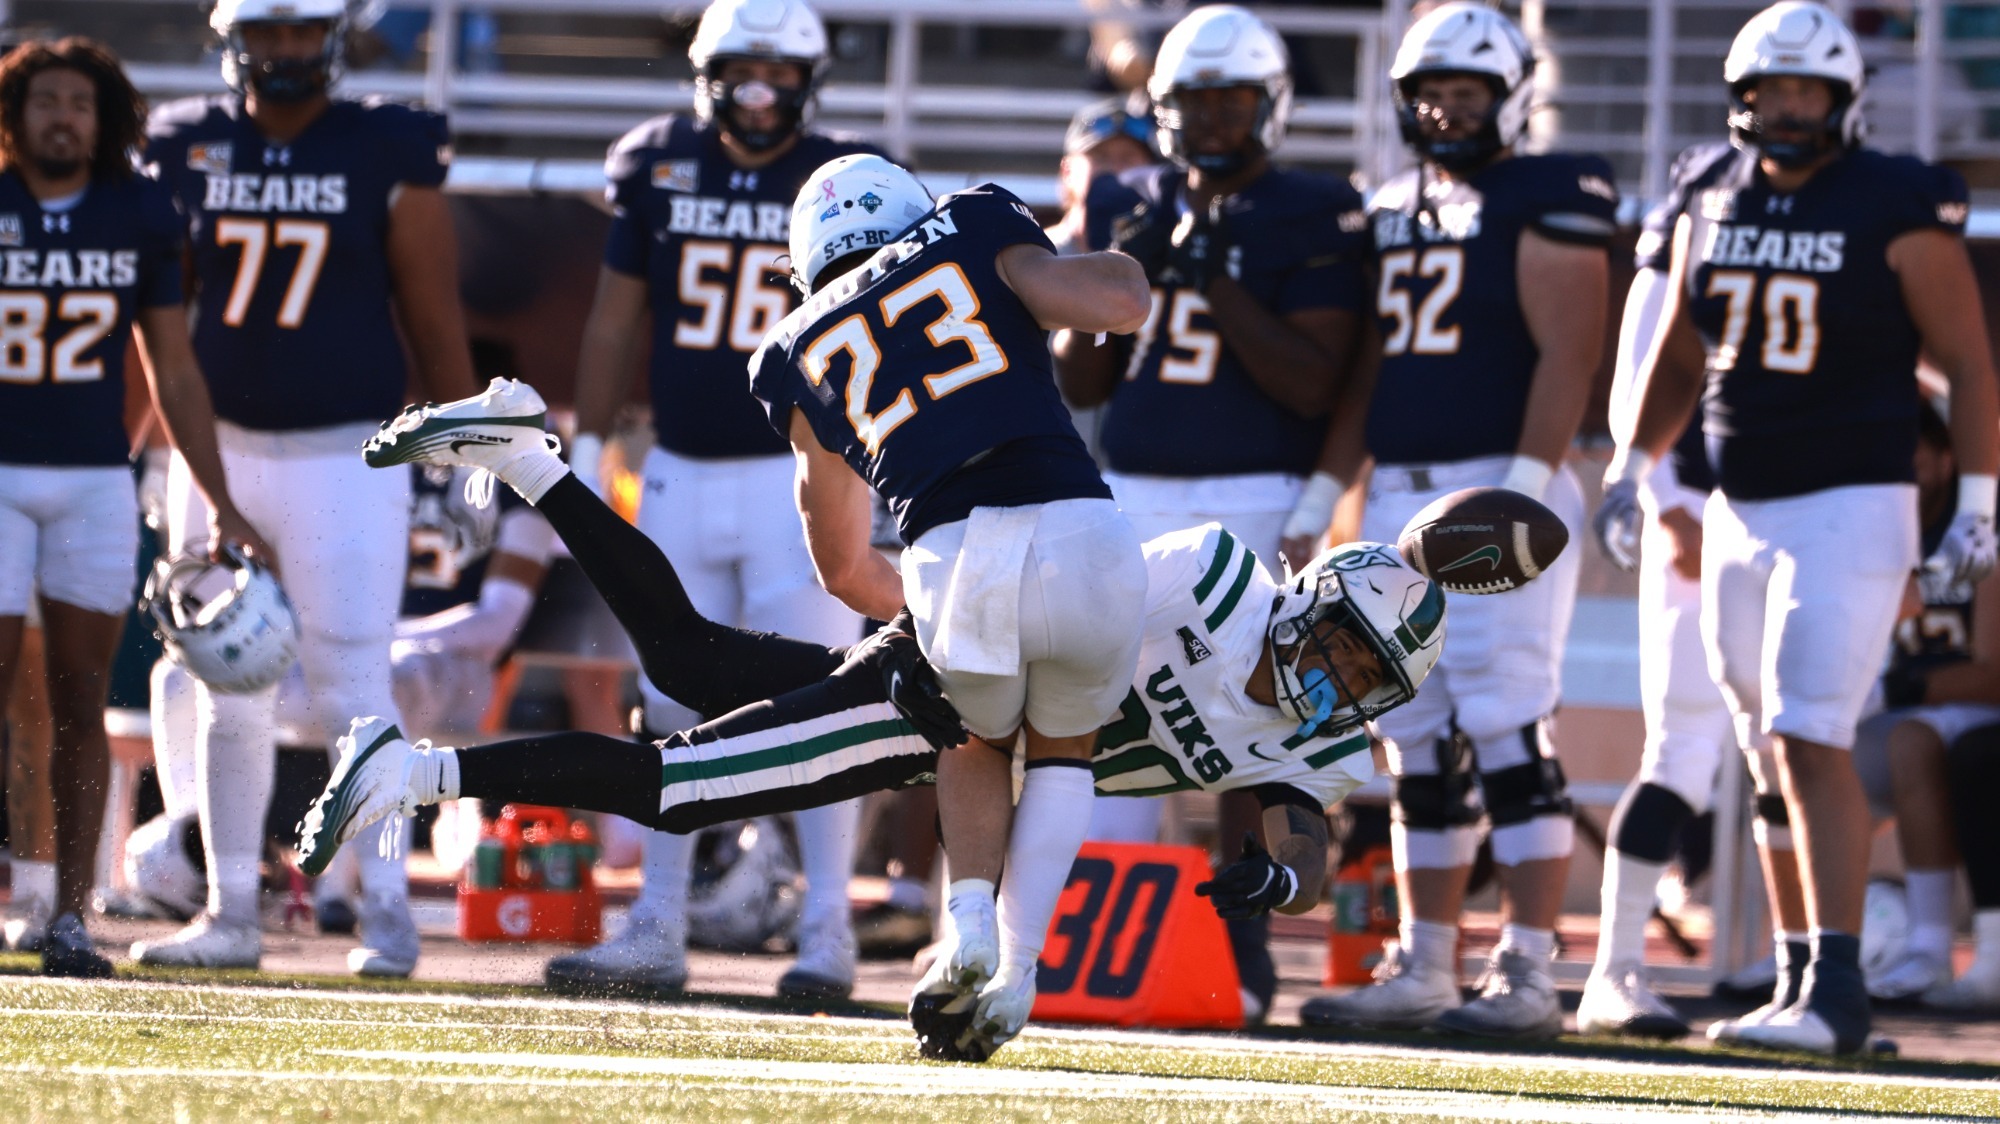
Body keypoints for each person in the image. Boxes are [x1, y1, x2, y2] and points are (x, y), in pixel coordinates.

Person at [296, 376, 1446, 1061]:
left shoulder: (1324, 733)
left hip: (969, 717)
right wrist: (992, 923)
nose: (1341, 680)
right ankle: (416, 770)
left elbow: (1303, 820)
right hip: (954, 684)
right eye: (1344, 645)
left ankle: (529, 462)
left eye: (1366, 677)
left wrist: (1281, 879)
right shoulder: (1209, 577)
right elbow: (1062, 645)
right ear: (1311, 599)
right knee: (685, 782)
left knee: (689, 659)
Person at [1599, 1, 1999, 1055]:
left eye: (1804, 92)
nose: (1784, 109)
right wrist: (1629, 465)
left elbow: (1961, 362)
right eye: (1767, 91)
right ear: (1736, 99)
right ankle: (1795, 977)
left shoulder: (1892, 200)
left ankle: (1837, 986)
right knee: (1762, 750)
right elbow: (1683, 352)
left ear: (1842, 100)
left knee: (1808, 731)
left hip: (1850, 500)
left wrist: (1978, 502)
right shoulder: (1709, 194)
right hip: (1736, 501)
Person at [131, 0, 479, 975]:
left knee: (352, 686)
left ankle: (387, 912)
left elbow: (430, 305)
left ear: (329, 36)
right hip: (219, 448)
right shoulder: (184, 142)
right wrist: (142, 451)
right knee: (221, 685)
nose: (284, 50)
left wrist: (455, 440)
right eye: (267, 34)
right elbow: (159, 322)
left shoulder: (386, 143)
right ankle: (231, 908)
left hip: (345, 454)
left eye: (299, 32)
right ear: (234, 41)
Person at [556, 0, 887, 1002]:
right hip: (681, 469)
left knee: (830, 699)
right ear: (705, 73)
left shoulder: (841, 178)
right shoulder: (657, 161)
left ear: (808, 79)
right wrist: (586, 438)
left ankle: (826, 929)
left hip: (807, 472)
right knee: (667, 701)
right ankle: (656, 922)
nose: (757, 89)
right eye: (739, 67)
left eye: (776, 70)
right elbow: (617, 321)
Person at [1297, 2, 1613, 1041]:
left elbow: (1569, 351)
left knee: (1507, 725)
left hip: (1497, 482)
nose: (1444, 108)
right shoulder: (1391, 204)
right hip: (1401, 490)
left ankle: (1526, 968)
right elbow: (1372, 370)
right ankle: (1425, 962)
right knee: (1411, 733)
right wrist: (1323, 494)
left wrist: (1521, 485)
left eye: (1466, 91)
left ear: (1510, 96)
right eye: (1430, 90)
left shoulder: (1544, 189)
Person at [1051, 5, 1367, 1020]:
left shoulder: (1316, 210)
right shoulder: (1124, 194)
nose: (1214, 119)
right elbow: (1083, 379)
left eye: (1232, 99)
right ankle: (1101, 925)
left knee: (1249, 725)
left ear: (1269, 106)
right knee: (1100, 709)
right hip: (1131, 491)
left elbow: (1312, 381)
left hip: (1254, 494)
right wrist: (1121, 280)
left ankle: (1243, 942)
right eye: (1194, 99)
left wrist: (1213, 278)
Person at [0, 37, 268, 978]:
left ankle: (69, 916)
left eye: (78, 101)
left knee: (79, 698)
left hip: (89, 478)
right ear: (15, 115)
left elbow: (173, 368)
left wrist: (222, 498)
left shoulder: (140, 213)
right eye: (44, 102)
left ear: (104, 116)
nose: (61, 117)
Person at [1579, 141, 1743, 1040]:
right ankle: (1616, 966)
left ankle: (1785, 961)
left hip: (1778, 513)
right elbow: (1643, 385)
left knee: (1783, 750)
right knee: (1681, 750)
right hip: (1705, 512)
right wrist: (1667, 502)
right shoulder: (1680, 248)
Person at [305, 459, 554, 930]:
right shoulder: (378, 466)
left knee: (391, 681)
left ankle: (361, 887)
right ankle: (200, 868)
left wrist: (390, 640)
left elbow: (496, 623)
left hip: (457, 668)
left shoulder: (517, 480)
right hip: (375, 653)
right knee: (182, 680)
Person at [1847, 400, 2000, 1003]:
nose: (1905, 474)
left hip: (1968, 709)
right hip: (1917, 707)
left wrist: (1896, 688)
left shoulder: (1977, 529)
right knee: (1794, 752)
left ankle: (1931, 947)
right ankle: (1798, 945)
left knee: (1911, 742)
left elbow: (1992, 673)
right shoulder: (1882, 531)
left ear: (1945, 458)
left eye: (1916, 457)